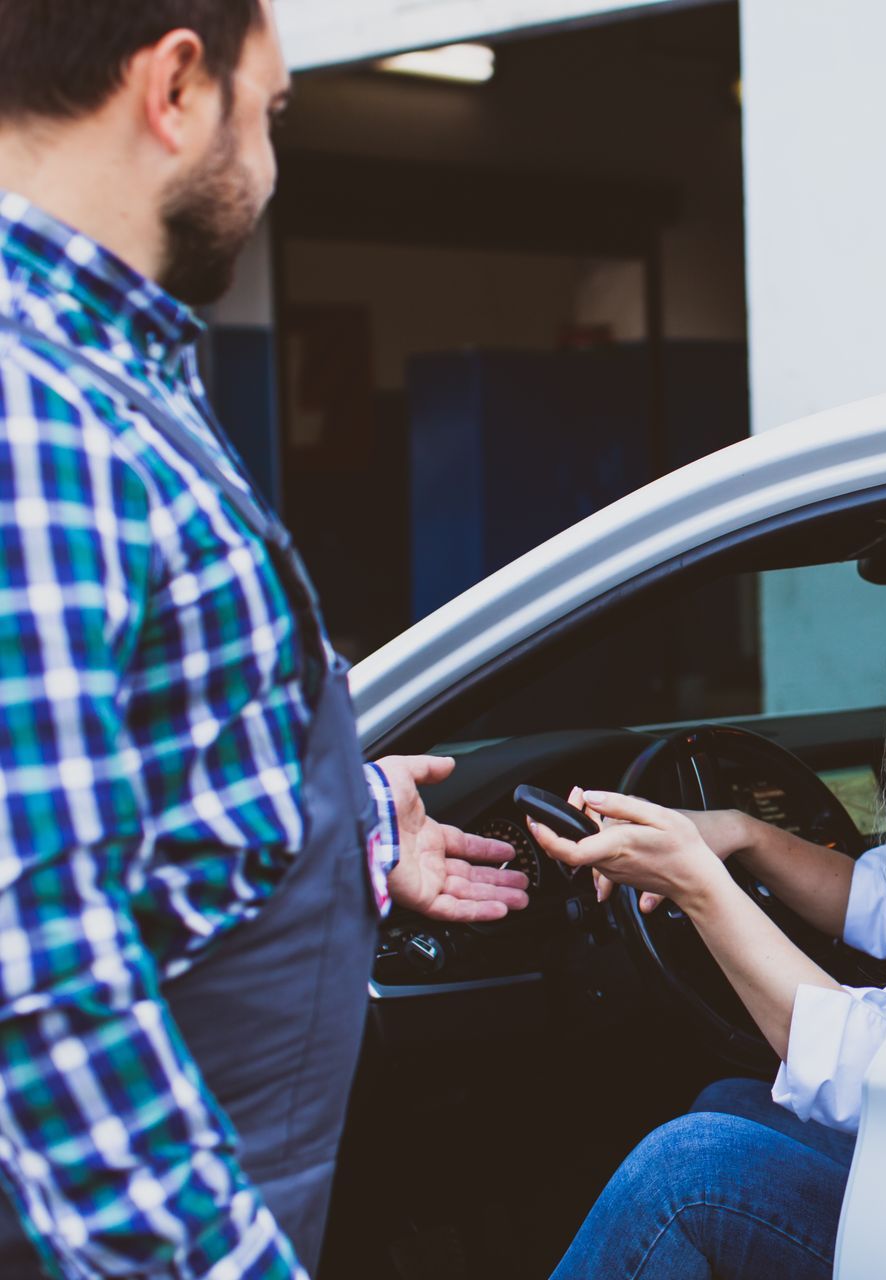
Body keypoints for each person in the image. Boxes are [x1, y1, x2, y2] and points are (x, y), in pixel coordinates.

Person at [0, 4, 528, 1277]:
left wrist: (334, 818)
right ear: (177, 85)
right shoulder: (34, 412)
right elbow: (36, 955)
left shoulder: (108, 367)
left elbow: (124, 749)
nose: (275, 161)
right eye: (274, 111)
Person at [528, 561, 886, 1279]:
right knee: (729, 1103)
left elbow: (868, 1079)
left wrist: (697, 884)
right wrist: (740, 833)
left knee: (684, 1173)